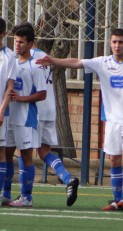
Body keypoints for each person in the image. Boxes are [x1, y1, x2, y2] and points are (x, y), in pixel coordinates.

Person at [36, 28, 123, 211]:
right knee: (115, 160)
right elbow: (77, 62)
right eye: (114, 42)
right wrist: (53, 60)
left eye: (120, 42)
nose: (117, 45)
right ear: (110, 44)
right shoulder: (103, 62)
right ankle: (117, 201)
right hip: (111, 120)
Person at [4, 22, 47, 207]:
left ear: (31, 44)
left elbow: (42, 93)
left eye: (21, 42)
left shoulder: (35, 66)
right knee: (6, 155)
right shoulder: (10, 61)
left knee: (25, 156)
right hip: (8, 117)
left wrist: (22, 99)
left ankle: (26, 197)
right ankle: (5, 194)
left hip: (26, 118)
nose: (17, 45)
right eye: (15, 41)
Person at [31, 46, 79, 207]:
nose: (17, 44)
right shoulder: (44, 55)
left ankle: (24, 194)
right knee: (44, 151)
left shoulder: (28, 58)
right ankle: (67, 178)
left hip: (35, 109)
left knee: (25, 150)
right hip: (49, 108)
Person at [0, 18, 17, 206]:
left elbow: (9, 87)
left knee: (1, 152)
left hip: (0, 111)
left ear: (4, 35)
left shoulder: (9, 56)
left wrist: (2, 110)